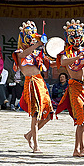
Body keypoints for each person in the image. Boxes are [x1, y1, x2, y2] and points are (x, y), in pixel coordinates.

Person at [12, 20, 53, 153]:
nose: (31, 36)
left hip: (41, 83)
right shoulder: (19, 52)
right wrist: (38, 44)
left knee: (48, 115)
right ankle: (36, 145)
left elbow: (49, 63)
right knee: (35, 115)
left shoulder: (37, 53)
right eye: (28, 34)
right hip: (31, 83)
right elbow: (24, 54)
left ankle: (29, 135)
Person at [55, 19, 84, 158]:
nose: (77, 38)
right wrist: (78, 57)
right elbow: (64, 62)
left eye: (79, 34)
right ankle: (80, 148)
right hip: (75, 86)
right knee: (81, 118)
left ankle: (78, 148)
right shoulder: (66, 52)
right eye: (73, 35)